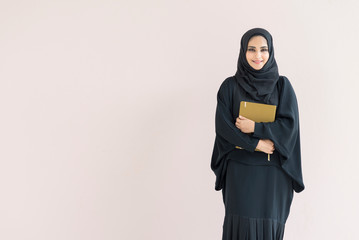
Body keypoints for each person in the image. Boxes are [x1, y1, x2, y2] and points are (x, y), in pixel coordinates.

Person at [210, 28, 305, 240]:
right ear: (243, 52)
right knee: (241, 228)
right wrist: (256, 145)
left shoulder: (283, 86)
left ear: (271, 52)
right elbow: (224, 128)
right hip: (241, 171)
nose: (258, 55)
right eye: (251, 49)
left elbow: (289, 128)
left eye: (263, 49)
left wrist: (256, 127)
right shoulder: (229, 87)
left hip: (274, 175)